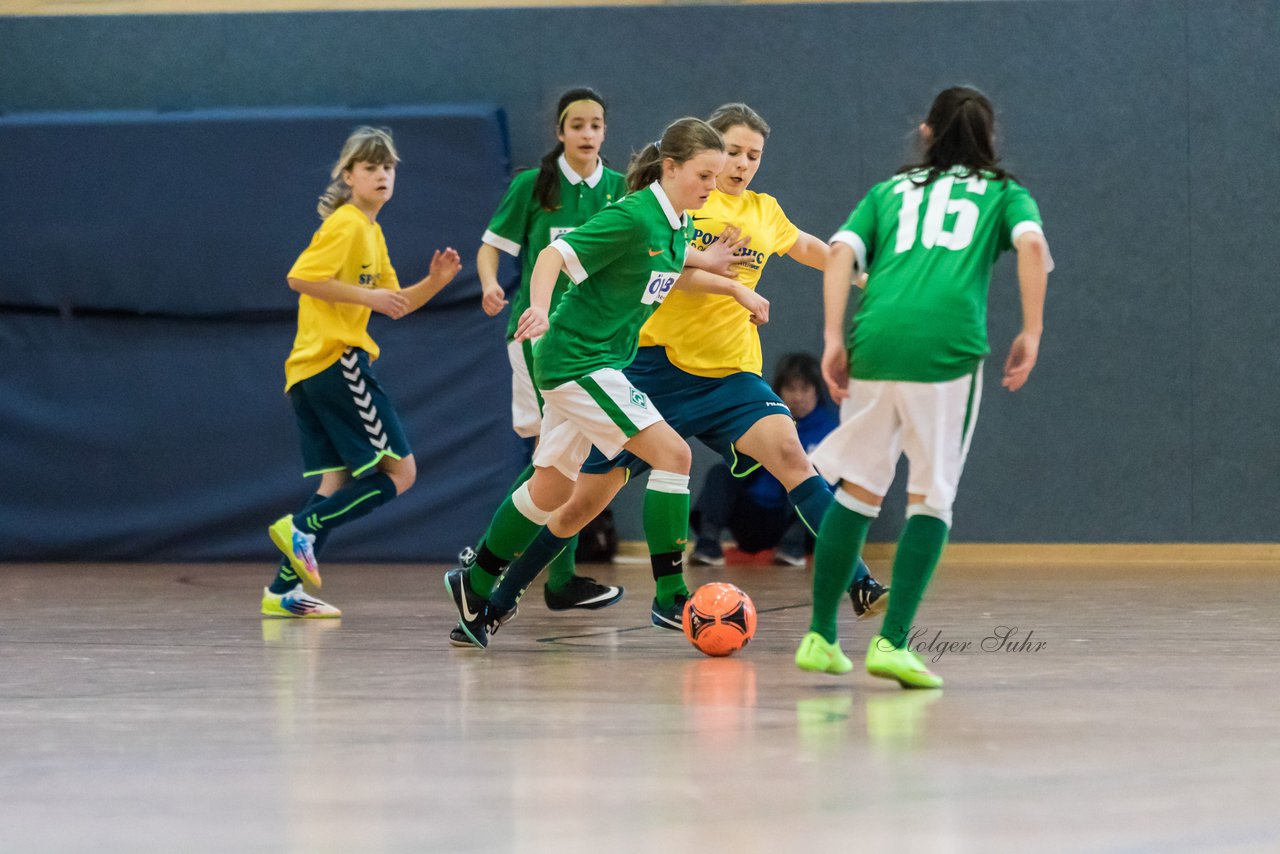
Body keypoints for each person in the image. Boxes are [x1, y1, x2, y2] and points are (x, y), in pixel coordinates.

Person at [455, 103, 886, 645]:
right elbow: (657, 268)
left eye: (754, 156)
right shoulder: (665, 208)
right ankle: (498, 595)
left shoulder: (749, 210)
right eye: (730, 153)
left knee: (792, 457)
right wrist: (726, 281)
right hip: (646, 369)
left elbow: (803, 247)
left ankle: (859, 581)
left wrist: (866, 278)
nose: (740, 165)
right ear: (684, 162)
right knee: (578, 503)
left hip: (728, 375)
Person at [445, 117, 769, 648]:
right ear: (670, 168)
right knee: (674, 456)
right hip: (578, 359)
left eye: (716, 176)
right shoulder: (634, 215)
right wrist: (542, 310)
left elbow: (668, 256)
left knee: (552, 485)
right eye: (704, 175)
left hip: (593, 361)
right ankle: (670, 596)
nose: (714, 186)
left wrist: (708, 262)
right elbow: (553, 255)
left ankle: (475, 585)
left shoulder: (675, 222)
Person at [794, 86, 1053, 687]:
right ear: (989, 140)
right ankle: (893, 642)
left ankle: (820, 635)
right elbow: (1033, 245)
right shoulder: (1003, 192)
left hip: (875, 338)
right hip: (947, 350)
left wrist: (834, 337)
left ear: (926, 132)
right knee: (931, 496)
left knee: (858, 489)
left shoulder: (888, 191)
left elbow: (838, 252)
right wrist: (1032, 332)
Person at [262, 126, 461, 618]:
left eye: (388, 167)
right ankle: (301, 530)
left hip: (309, 372)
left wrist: (435, 283)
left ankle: (283, 591)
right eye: (370, 167)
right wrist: (365, 296)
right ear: (348, 175)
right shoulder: (348, 224)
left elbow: (396, 305)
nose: (381, 175)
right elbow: (300, 277)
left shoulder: (371, 231)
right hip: (336, 363)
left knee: (334, 482)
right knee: (402, 471)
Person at [473, 87, 629, 611]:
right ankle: (540, 573)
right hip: (539, 339)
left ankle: (511, 565)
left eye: (596, 124)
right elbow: (492, 246)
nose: (588, 133)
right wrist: (490, 284)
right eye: (578, 125)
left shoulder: (620, 189)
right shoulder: (533, 186)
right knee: (556, 456)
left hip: (595, 343)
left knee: (563, 456)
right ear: (561, 132)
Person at [690, 352, 839, 568]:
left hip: (801, 526)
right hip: (758, 518)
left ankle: (791, 546)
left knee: (810, 474)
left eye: (805, 389)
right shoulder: (769, 417)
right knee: (720, 473)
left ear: (817, 392)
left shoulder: (829, 429)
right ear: (779, 391)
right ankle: (707, 545)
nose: (798, 397)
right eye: (791, 389)